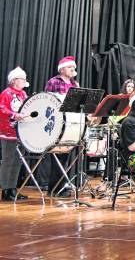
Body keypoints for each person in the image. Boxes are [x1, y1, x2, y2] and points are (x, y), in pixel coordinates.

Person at [42, 56, 81, 197]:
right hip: (57, 123)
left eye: (74, 68)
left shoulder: (75, 84)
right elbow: (46, 102)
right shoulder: (53, 82)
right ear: (62, 69)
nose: (73, 70)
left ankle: (59, 186)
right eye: (70, 67)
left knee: (65, 155)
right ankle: (55, 188)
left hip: (71, 124)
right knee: (57, 155)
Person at [0, 67, 30, 201]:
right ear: (14, 80)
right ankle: (5, 190)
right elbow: (1, 109)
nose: (24, 81)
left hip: (21, 133)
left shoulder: (24, 94)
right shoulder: (6, 93)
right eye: (22, 79)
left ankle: (13, 188)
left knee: (18, 161)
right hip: (8, 132)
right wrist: (14, 115)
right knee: (7, 161)